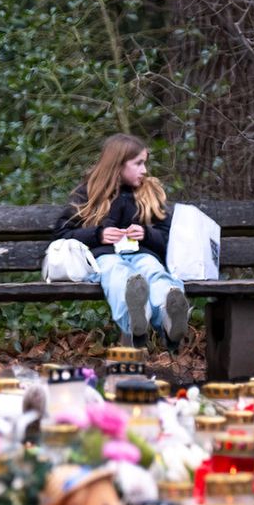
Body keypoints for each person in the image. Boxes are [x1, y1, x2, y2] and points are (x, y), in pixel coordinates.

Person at [54, 134, 188, 348]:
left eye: (145, 163)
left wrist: (146, 233)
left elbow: (168, 239)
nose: (144, 170)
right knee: (118, 274)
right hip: (105, 257)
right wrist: (98, 235)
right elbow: (62, 234)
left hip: (143, 254)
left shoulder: (149, 194)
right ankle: (136, 314)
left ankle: (168, 313)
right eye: (138, 163)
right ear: (117, 165)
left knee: (154, 270)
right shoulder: (89, 193)